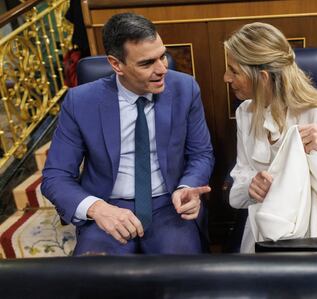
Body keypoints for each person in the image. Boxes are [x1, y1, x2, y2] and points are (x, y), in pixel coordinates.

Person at [41, 13, 214, 255]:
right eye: (146, 63)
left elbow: (201, 154)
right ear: (116, 64)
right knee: (97, 282)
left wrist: (188, 186)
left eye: (162, 56)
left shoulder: (185, 88)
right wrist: (97, 208)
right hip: (108, 207)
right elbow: (55, 176)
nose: (162, 69)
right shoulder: (80, 102)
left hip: (169, 206)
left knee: (182, 278)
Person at [224, 22, 317, 253]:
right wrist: (250, 187)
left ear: (262, 77)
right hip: (268, 229)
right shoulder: (245, 113)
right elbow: (241, 179)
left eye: (234, 71)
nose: (226, 77)